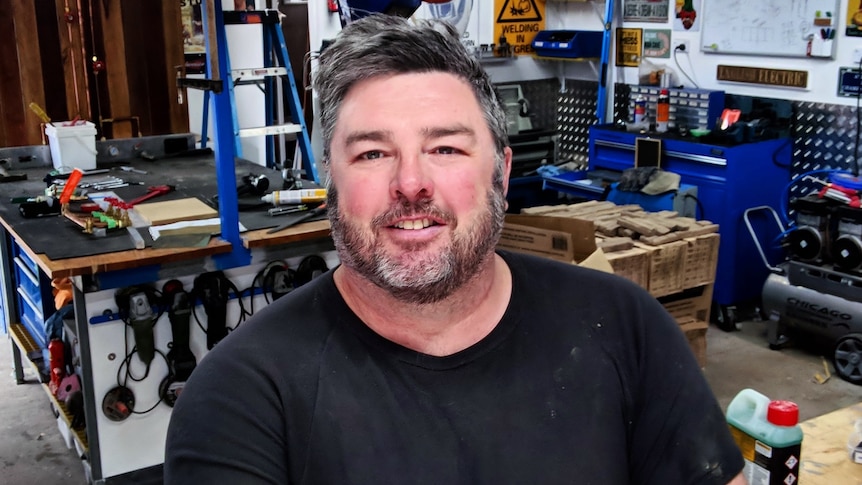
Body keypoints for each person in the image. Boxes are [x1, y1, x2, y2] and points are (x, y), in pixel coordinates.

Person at [165, 14, 746, 484]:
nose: (411, 182)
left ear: (501, 172)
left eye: (445, 148)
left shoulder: (624, 326)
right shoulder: (240, 396)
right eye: (372, 153)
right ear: (332, 182)